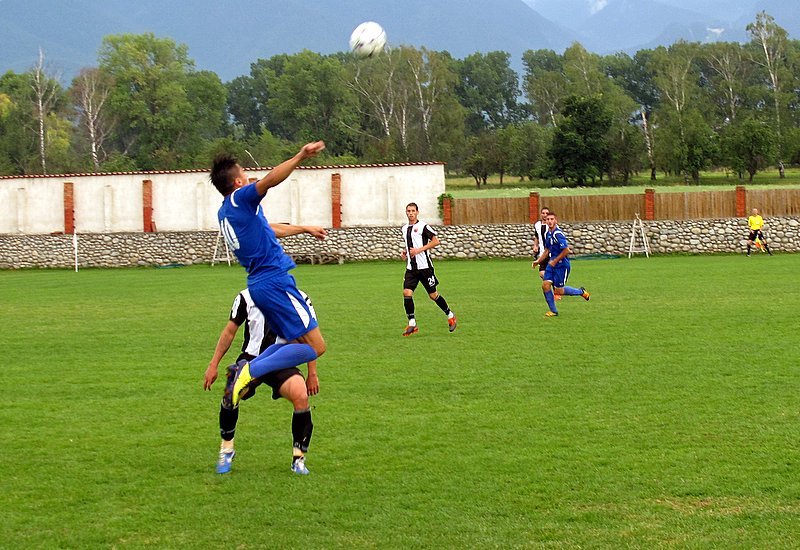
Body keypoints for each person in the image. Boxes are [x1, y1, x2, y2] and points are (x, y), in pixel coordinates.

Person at [210, 143, 327, 474]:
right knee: (317, 346)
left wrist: (304, 228)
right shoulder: (241, 198)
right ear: (236, 183)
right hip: (275, 282)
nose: (251, 179)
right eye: (245, 176)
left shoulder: (228, 213)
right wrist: (301, 156)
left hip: (261, 286)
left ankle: (254, 369)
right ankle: (253, 369)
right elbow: (271, 181)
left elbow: (269, 229)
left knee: (298, 345)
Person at [204, 287, 319, 475]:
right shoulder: (246, 296)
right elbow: (229, 332)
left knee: (301, 396)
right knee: (231, 392)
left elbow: (309, 337)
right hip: (252, 359)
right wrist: (213, 364)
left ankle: (298, 459)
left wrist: (312, 372)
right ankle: (227, 450)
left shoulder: (299, 298)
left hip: (282, 360)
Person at [400, 202, 457, 336]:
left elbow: (436, 241)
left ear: (417, 212)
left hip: (425, 268)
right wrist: (405, 253)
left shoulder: (423, 226)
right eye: (408, 211)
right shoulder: (404, 229)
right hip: (411, 269)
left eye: (413, 211)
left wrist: (419, 250)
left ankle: (450, 314)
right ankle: (412, 323)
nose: (410, 213)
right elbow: (410, 246)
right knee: (407, 293)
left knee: (433, 295)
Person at [534, 211, 590, 317]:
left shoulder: (558, 234)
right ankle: (553, 311)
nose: (549, 221)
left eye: (552, 219)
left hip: (561, 265)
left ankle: (581, 292)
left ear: (555, 220)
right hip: (551, 264)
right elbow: (547, 250)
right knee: (545, 285)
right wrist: (538, 261)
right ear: (545, 221)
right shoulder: (548, 234)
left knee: (558, 291)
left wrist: (555, 261)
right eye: (547, 219)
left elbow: (566, 250)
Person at [531, 206, 560, 300]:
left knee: (550, 272)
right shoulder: (537, 225)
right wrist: (535, 245)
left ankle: (556, 291)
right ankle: (553, 286)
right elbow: (537, 236)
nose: (544, 215)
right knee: (542, 274)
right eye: (543, 213)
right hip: (542, 253)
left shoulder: (552, 226)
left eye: (546, 213)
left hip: (551, 254)